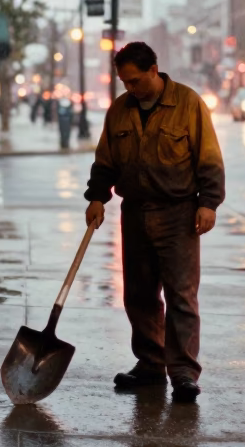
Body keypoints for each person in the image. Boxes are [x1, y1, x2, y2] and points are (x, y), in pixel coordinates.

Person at [84, 42, 225, 404]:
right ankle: (150, 364)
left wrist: (208, 203)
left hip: (178, 212)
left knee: (181, 296)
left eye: (134, 81)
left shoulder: (188, 104)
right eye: (124, 82)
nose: (129, 88)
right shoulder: (119, 111)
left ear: (153, 70)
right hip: (135, 213)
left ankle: (182, 372)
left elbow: (209, 158)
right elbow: (106, 161)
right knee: (140, 295)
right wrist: (97, 197)